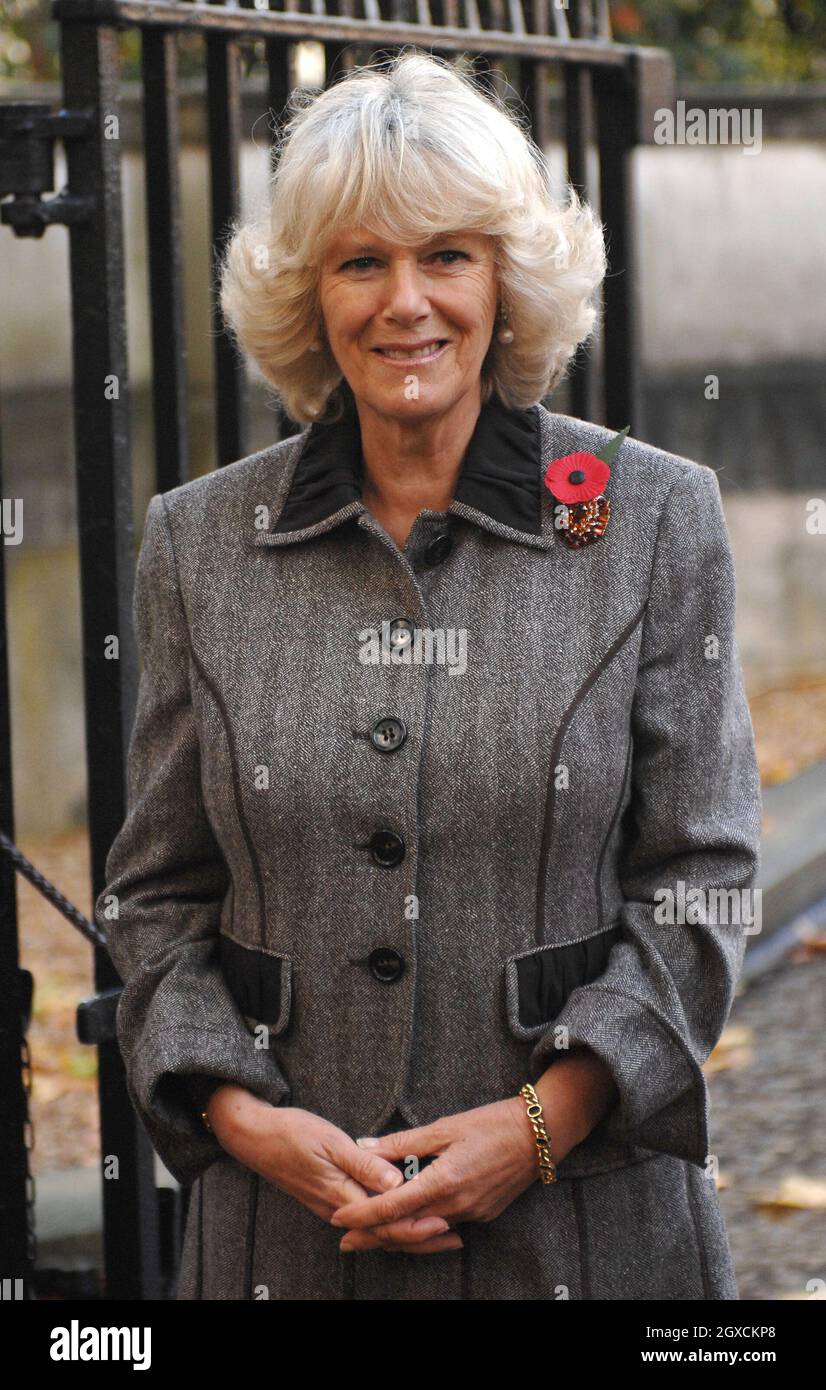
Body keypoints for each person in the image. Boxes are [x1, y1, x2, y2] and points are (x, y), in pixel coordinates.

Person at [97, 50, 762, 1300]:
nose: (406, 301)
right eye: (362, 261)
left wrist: (539, 1127)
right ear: (311, 293)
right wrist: (244, 1124)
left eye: (446, 255)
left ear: (506, 282)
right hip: (285, 1242)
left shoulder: (652, 518)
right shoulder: (197, 541)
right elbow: (155, 895)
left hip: (584, 1237)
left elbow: (704, 879)